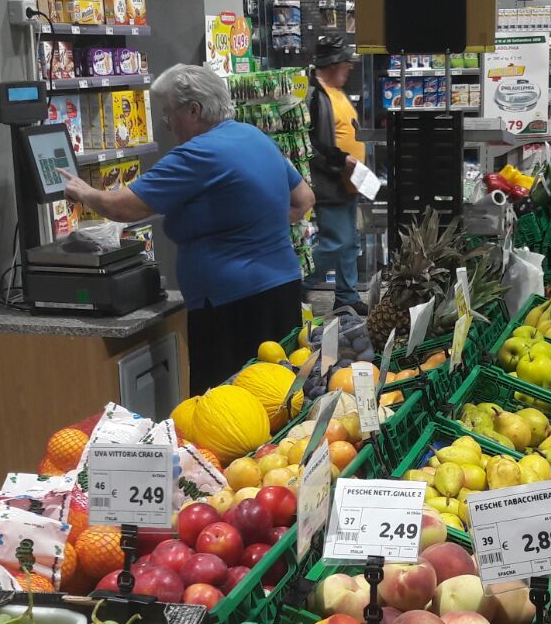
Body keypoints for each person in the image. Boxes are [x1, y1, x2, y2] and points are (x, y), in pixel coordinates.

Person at [61, 63, 315, 391]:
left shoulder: (199, 153)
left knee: (228, 406)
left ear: (194, 110)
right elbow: (304, 198)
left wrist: (85, 192)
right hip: (281, 288)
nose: (167, 124)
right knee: (280, 393)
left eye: (169, 113)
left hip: (232, 305)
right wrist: (252, 223)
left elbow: (124, 207)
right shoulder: (253, 136)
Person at [306, 35, 367, 314]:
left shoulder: (335, 90)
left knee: (350, 241)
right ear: (332, 64)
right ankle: (300, 279)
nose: (350, 67)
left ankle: (346, 296)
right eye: (346, 62)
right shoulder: (315, 95)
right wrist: (341, 159)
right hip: (329, 182)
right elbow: (311, 144)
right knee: (335, 242)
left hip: (349, 182)